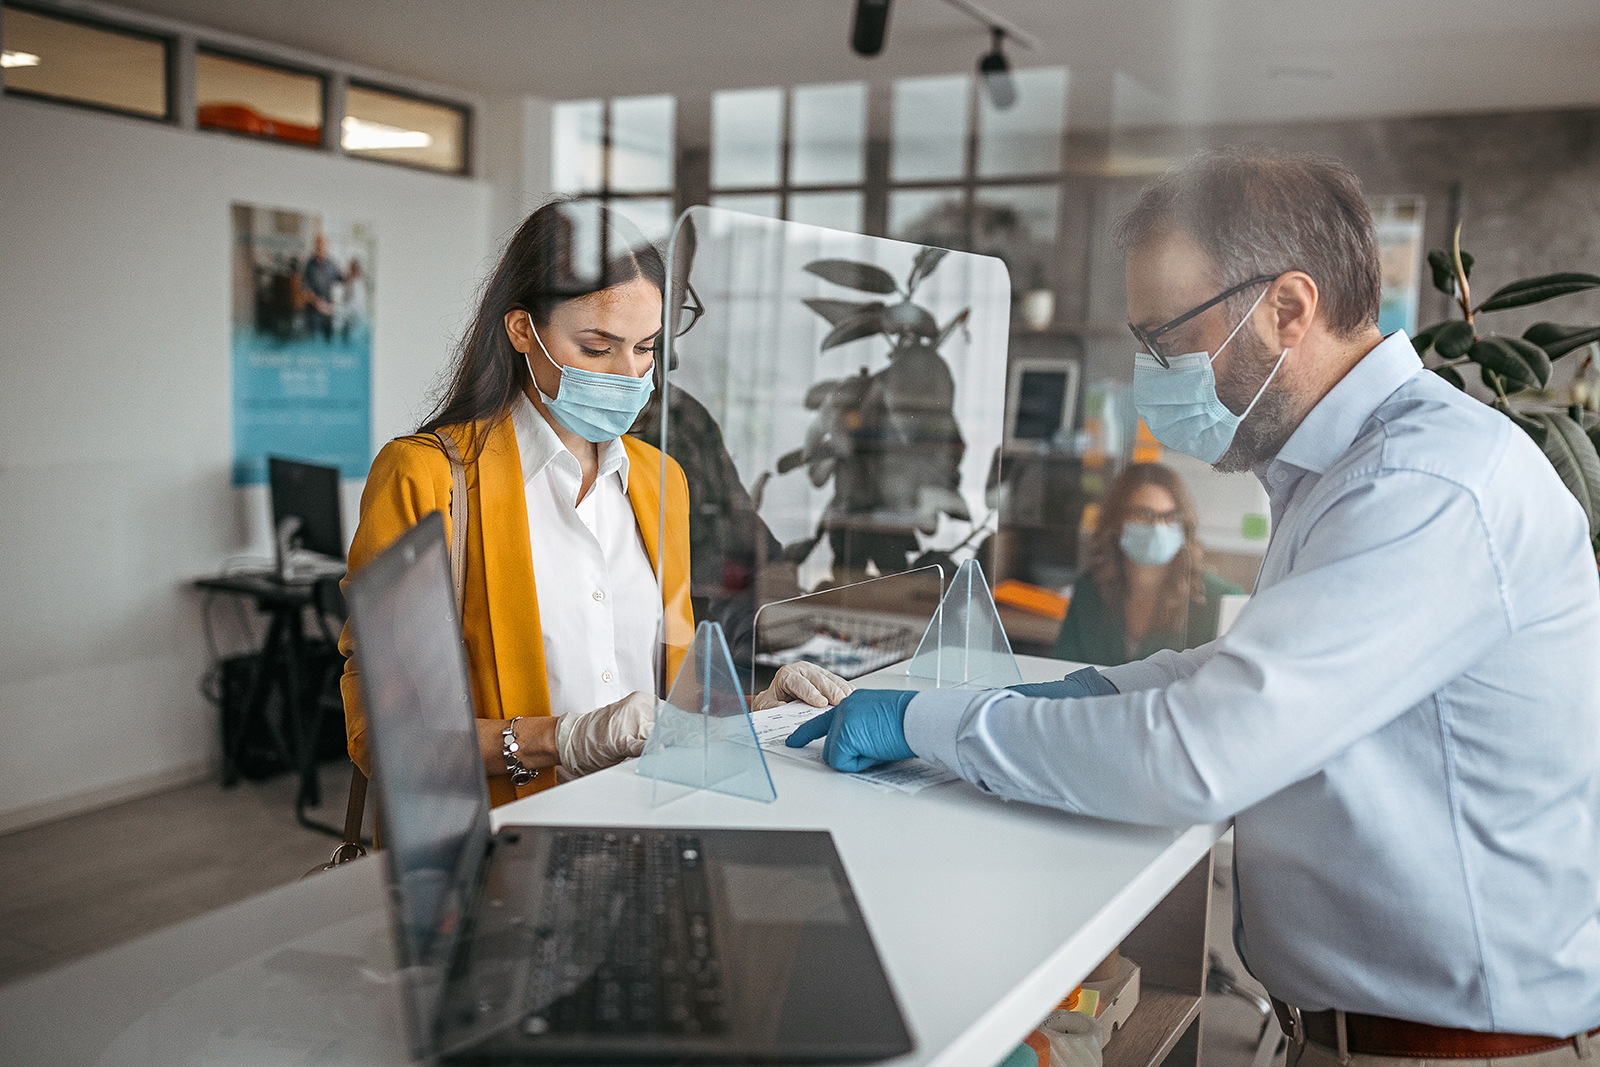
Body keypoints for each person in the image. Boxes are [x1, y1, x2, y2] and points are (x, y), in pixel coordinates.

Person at [789, 150, 1600, 1061]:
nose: (1152, 372)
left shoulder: (1425, 484)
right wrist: (1083, 691)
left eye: (1166, 337)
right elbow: (1243, 670)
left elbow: (1197, 753)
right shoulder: (1343, 472)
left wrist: (938, 722)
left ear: (1289, 309)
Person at [340, 200, 850, 808]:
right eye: (597, 346)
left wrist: (757, 710)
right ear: (523, 329)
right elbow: (386, 738)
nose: (629, 374)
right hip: (506, 846)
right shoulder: (425, 478)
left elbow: (670, 698)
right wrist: (563, 739)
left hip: (648, 819)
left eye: (646, 347)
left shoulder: (662, 481)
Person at [1052, 462, 1241, 665]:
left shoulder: (1221, 599)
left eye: (1170, 517)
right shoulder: (1089, 591)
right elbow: (1061, 670)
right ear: (1115, 522)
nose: (1158, 528)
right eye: (1142, 515)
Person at [301, 232, 341, 341]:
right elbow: (305, 291)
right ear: (315, 246)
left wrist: (352, 274)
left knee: (329, 342)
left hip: (328, 314)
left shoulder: (332, 264)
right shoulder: (309, 265)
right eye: (318, 246)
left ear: (327, 247)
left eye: (323, 246)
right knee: (314, 344)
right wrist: (318, 303)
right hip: (313, 314)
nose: (321, 249)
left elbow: (341, 278)